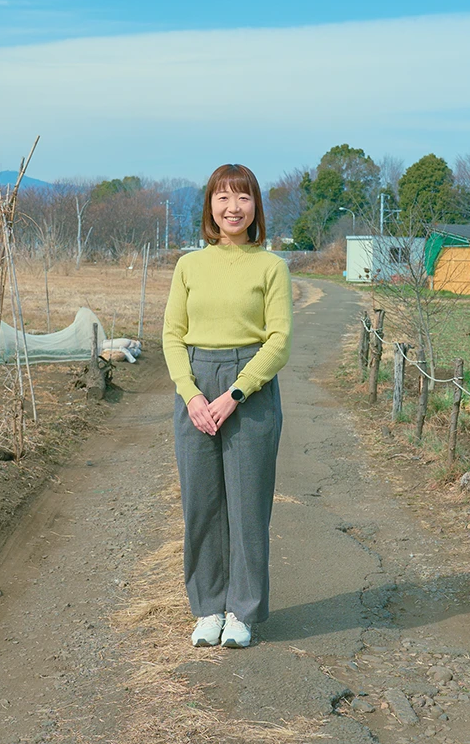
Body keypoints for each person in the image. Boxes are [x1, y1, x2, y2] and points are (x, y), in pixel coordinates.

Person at [162, 163, 293, 649]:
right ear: (210, 207)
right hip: (195, 387)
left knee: (247, 505)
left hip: (249, 390)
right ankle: (208, 608)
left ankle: (242, 611)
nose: (233, 207)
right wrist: (191, 393)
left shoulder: (271, 267)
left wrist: (235, 393)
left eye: (243, 197)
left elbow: (279, 341)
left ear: (255, 206)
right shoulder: (189, 266)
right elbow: (172, 335)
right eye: (223, 197)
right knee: (201, 504)